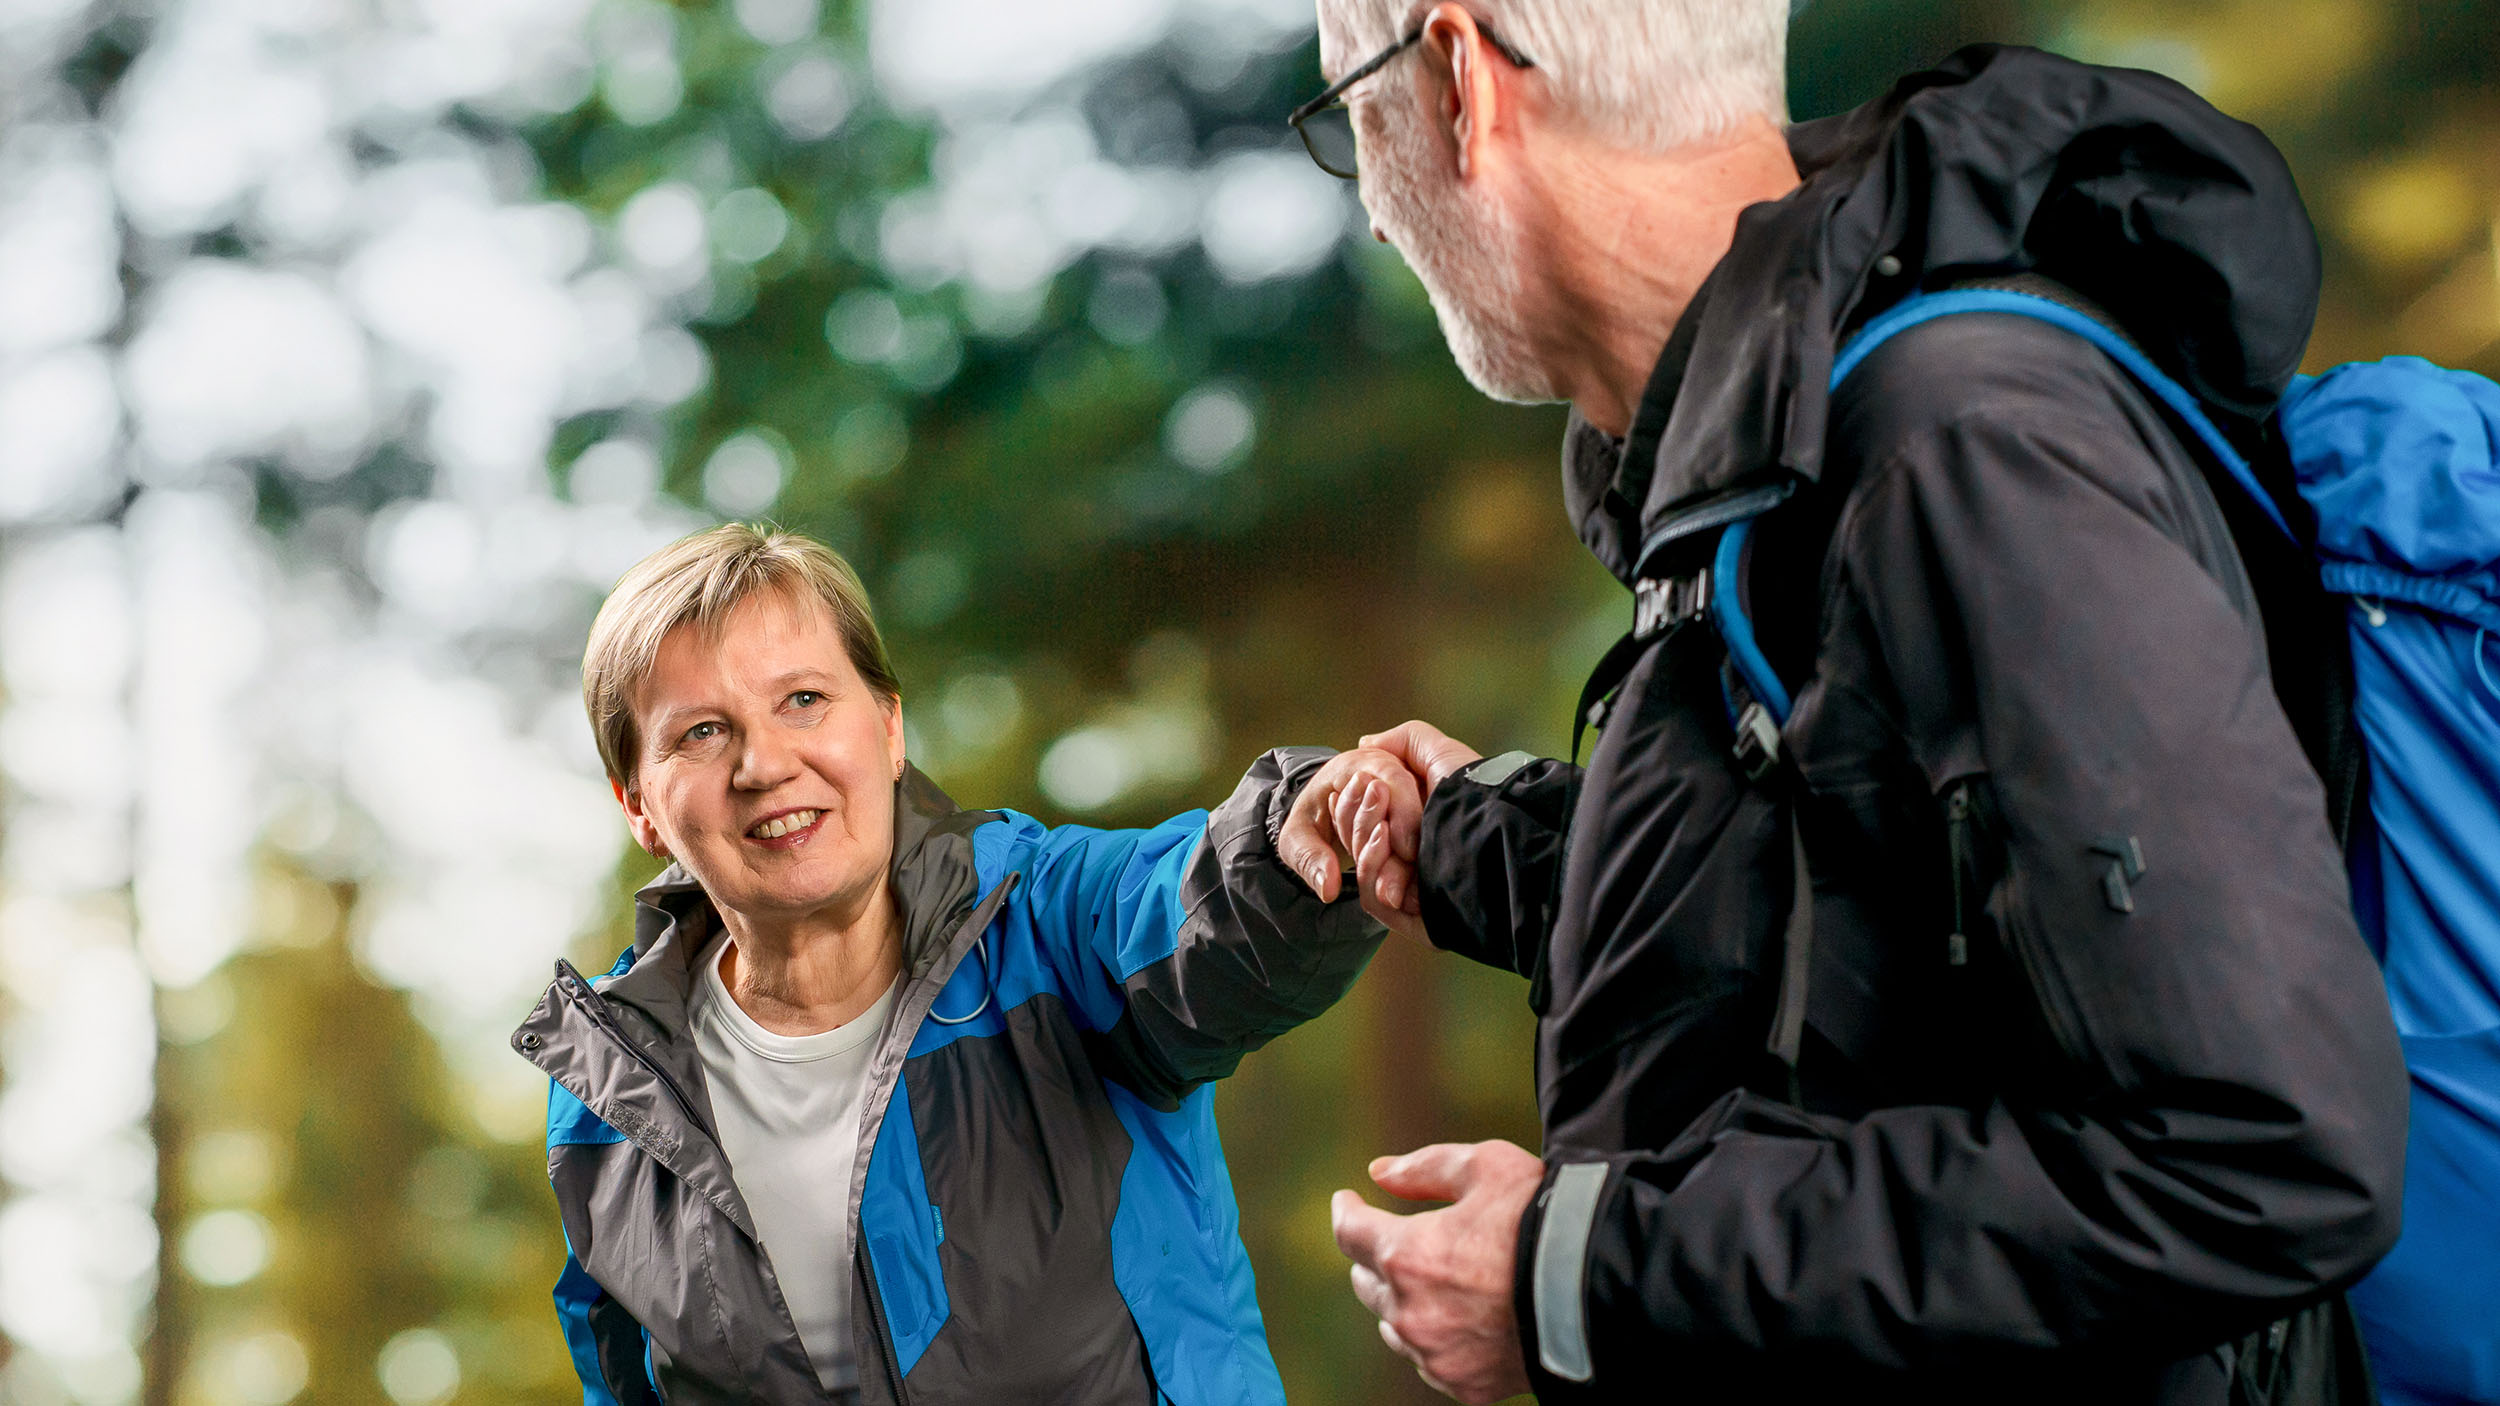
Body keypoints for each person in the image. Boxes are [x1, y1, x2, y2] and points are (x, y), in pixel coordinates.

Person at [1274, 4, 2411, 1402]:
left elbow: (2261, 1150)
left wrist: (1584, 1277)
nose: (1372, 212)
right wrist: (1461, 835)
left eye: (1351, 116)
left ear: (1461, 82)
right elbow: (1856, 906)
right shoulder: (1774, 449)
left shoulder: (1960, 448)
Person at [512, 523, 1425, 1404]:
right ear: (638, 804)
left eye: (804, 700)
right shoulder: (612, 1097)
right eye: (703, 733)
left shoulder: (1050, 926)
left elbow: (1195, 900)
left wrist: (1304, 821)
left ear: (889, 728)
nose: (765, 763)